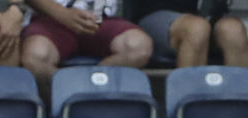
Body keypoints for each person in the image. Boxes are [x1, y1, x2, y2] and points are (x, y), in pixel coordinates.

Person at [20, 0, 152, 91]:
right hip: (50, 18)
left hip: (101, 19)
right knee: (35, 57)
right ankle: (65, 100)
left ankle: (90, 90)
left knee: (138, 48)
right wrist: (62, 14)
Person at [129, 0, 248, 68]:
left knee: (233, 30)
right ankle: (188, 111)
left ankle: (244, 110)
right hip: (152, 16)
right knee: (196, 28)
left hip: (200, 17)